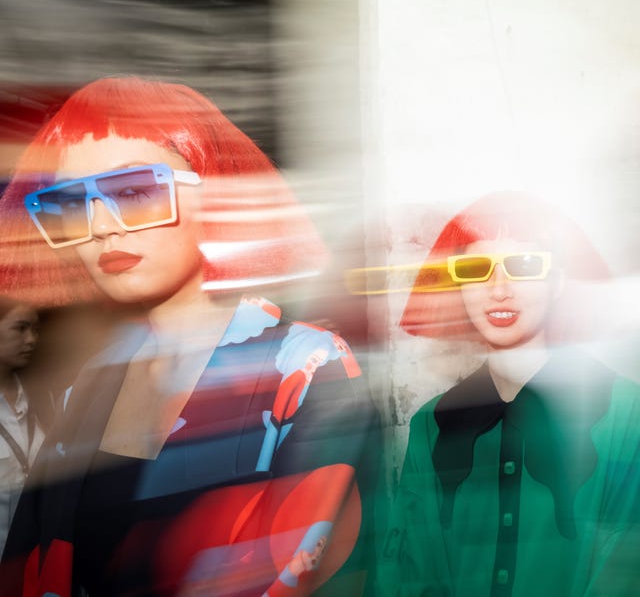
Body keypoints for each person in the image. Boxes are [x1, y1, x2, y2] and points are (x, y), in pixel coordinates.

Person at [0, 76, 377, 597]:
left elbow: (298, 567)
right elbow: (32, 566)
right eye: (71, 205)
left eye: (133, 192)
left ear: (212, 192)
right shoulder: (89, 382)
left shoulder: (303, 364)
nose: (103, 226)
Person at [381, 191, 640, 596]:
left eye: (523, 266)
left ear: (557, 282)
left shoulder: (627, 414)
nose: (498, 290)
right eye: (476, 268)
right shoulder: (431, 425)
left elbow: (626, 568)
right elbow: (411, 574)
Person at [0, 297, 43, 559]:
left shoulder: (43, 397)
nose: (31, 340)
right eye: (20, 328)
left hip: (29, 561)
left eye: (35, 330)